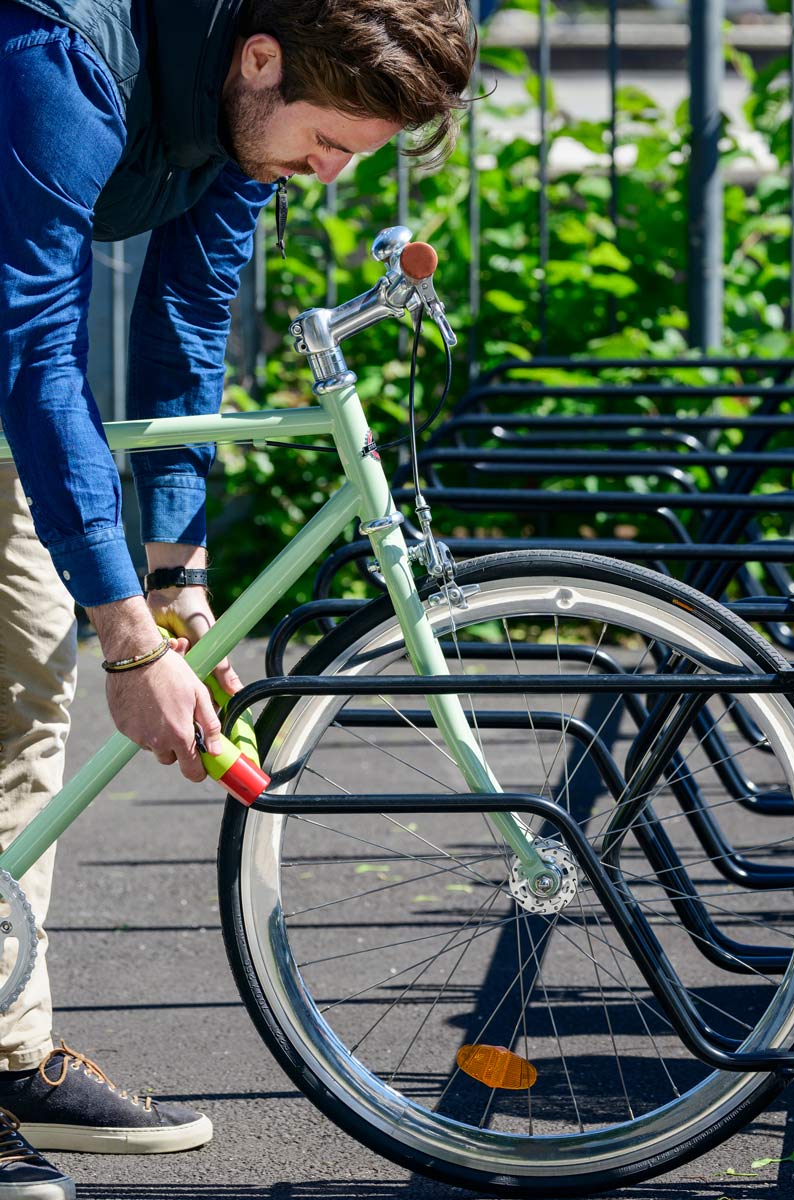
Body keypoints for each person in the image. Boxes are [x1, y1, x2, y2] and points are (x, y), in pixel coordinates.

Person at [0, 0, 473, 1193]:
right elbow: (34, 348)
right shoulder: (63, 53)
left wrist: (178, 584)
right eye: (331, 144)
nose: (325, 176)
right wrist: (123, 638)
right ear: (261, 59)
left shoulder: (247, 101)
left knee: (19, 703)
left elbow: (184, 319)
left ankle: (2, 1053)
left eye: (351, 160)